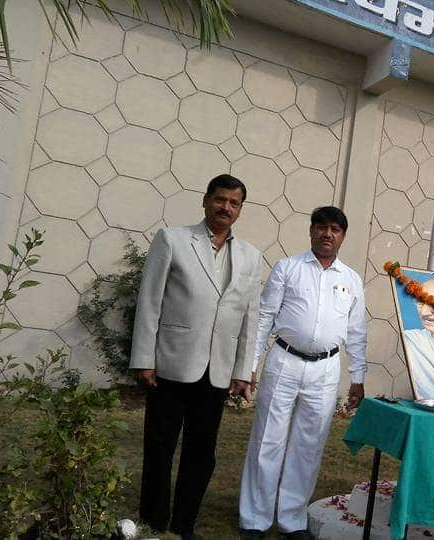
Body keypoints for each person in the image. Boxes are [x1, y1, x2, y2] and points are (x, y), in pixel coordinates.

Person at [130, 174, 264, 540]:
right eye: (220, 199)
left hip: (217, 372)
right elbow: (149, 300)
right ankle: (153, 521)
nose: (226, 207)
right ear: (205, 201)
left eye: (234, 203)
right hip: (171, 364)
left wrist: (242, 370)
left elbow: (250, 317)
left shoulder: (251, 256)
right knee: (160, 447)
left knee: (202, 454)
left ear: (240, 210)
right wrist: (144, 358)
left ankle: (184, 523)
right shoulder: (172, 239)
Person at [239, 206, 367, 540]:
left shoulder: (351, 280)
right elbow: (265, 317)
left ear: (342, 236)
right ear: (311, 231)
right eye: (321, 227)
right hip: (285, 361)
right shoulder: (288, 268)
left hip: (326, 368)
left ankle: (292, 519)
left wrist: (358, 376)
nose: (327, 234)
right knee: (268, 438)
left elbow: (357, 332)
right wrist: (250, 365)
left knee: (309, 445)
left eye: (335, 229)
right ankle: (255, 518)